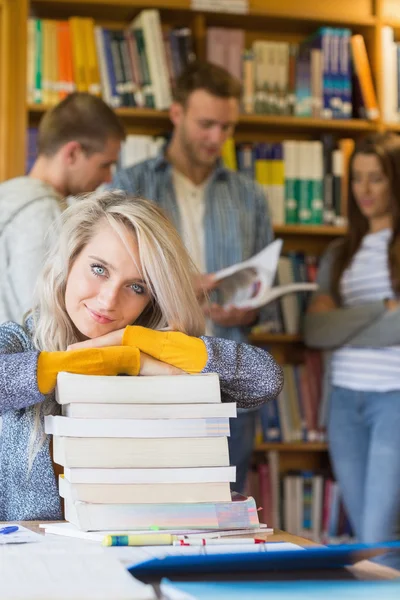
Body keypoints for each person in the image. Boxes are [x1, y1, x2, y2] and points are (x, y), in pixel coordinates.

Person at [0, 191, 283, 522]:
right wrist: (108, 360)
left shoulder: (156, 352)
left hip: (137, 550)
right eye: (98, 269)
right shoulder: (19, 340)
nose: (108, 301)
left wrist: (136, 346)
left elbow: (265, 379)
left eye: (137, 287)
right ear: (68, 262)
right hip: (37, 560)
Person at [109, 61, 276, 492]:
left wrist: (251, 308)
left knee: (223, 499)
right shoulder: (132, 184)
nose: (217, 138)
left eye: (227, 127)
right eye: (206, 124)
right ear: (176, 114)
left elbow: (263, 283)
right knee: (149, 498)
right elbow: (113, 273)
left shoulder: (249, 195)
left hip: (226, 372)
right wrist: (179, 287)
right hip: (151, 372)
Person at [304, 133, 400, 568]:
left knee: (380, 534)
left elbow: (335, 327)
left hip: (392, 400)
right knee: (366, 538)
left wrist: (343, 324)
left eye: (376, 178)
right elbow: (316, 330)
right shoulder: (339, 254)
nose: (364, 189)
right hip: (343, 401)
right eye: (357, 179)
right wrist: (383, 308)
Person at [0, 92, 126, 326]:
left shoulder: (9, 195)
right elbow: (40, 318)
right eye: (105, 164)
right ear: (72, 153)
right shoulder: (40, 214)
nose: (108, 176)